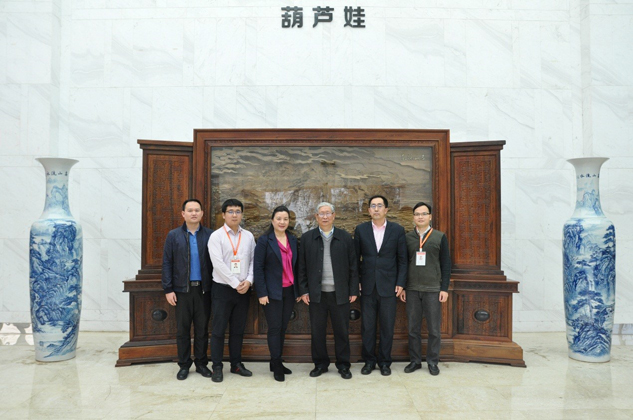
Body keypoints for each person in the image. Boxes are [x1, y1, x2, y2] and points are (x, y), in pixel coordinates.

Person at [298, 202, 359, 379]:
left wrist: (353, 290)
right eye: (321, 213)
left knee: (342, 331)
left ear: (334, 215)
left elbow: (354, 266)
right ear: (316, 217)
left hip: (340, 293)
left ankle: (343, 365)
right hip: (316, 294)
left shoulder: (345, 237)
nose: (325, 216)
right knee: (317, 332)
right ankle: (320, 364)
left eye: (328, 213)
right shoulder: (308, 238)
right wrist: (304, 290)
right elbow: (301, 267)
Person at [353, 195, 407, 376]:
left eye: (380, 206)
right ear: (369, 210)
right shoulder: (361, 230)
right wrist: (357, 281)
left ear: (386, 210)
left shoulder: (397, 230)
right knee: (367, 327)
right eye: (373, 206)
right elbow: (355, 259)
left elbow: (402, 260)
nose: (376, 209)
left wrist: (400, 282)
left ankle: (384, 362)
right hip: (367, 286)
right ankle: (369, 361)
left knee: (387, 326)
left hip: (389, 287)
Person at [161, 198, 213, 380]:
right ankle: (184, 365)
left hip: (204, 291)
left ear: (202, 213)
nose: (194, 213)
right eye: (190, 210)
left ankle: (201, 363)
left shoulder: (210, 235)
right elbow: (167, 263)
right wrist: (168, 289)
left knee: (202, 330)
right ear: (183, 214)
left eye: (197, 210)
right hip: (182, 291)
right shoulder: (173, 235)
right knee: (182, 330)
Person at [207, 198, 256, 383]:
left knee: (238, 330)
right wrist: (236, 283)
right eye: (230, 211)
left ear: (242, 214)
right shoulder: (216, 236)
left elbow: (254, 261)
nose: (234, 215)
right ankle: (217, 367)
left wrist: (249, 281)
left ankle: (236, 364)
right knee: (218, 330)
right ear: (223, 215)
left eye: (237, 211)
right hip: (223, 289)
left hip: (244, 289)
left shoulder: (248, 236)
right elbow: (218, 264)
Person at [401, 202, 451, 376]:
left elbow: (446, 264)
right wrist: (404, 287)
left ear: (430, 216)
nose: (420, 217)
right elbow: (402, 263)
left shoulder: (439, 236)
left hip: (433, 289)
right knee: (412, 329)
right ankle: (415, 361)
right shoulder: (407, 238)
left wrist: (444, 288)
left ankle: (432, 361)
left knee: (434, 329)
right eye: (417, 214)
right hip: (412, 289)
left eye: (424, 213)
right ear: (413, 217)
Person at [253, 205, 299, 382]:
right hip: (271, 292)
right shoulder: (265, 240)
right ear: (272, 221)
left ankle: (275, 361)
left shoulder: (292, 239)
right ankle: (277, 363)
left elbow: (297, 266)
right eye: (279, 219)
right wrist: (261, 292)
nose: (282, 222)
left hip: (289, 290)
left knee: (283, 327)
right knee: (274, 328)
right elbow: (258, 267)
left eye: (285, 219)